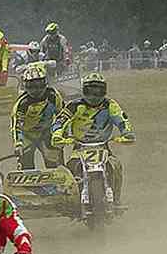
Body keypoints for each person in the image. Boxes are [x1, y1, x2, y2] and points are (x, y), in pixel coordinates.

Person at [51, 72, 134, 205]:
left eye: (98, 91)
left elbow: (121, 119)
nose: (94, 96)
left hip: (103, 146)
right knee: (70, 170)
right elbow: (60, 121)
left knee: (116, 166)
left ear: (104, 91)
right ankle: (70, 200)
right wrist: (57, 134)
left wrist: (127, 132)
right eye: (90, 91)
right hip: (79, 146)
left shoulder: (110, 105)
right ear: (84, 90)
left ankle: (116, 199)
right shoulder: (74, 105)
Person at [11, 63, 64, 169]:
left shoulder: (53, 96)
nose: (37, 90)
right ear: (26, 86)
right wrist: (18, 144)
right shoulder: (22, 104)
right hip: (27, 136)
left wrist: (61, 132)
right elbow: (17, 126)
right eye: (32, 86)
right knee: (26, 168)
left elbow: (63, 114)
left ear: (45, 83)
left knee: (55, 166)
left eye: (40, 85)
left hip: (46, 133)